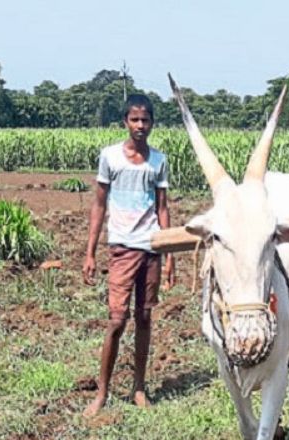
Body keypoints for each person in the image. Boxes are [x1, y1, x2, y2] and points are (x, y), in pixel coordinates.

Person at [82, 94, 175, 417]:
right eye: (134, 120)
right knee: (117, 321)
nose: (140, 126)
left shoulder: (158, 161)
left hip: (150, 248)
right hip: (121, 247)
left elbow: (162, 207)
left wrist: (169, 254)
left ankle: (138, 387)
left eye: (145, 120)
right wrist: (90, 252)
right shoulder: (110, 157)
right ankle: (102, 393)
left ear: (152, 123)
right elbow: (99, 204)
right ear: (125, 121)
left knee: (145, 318)